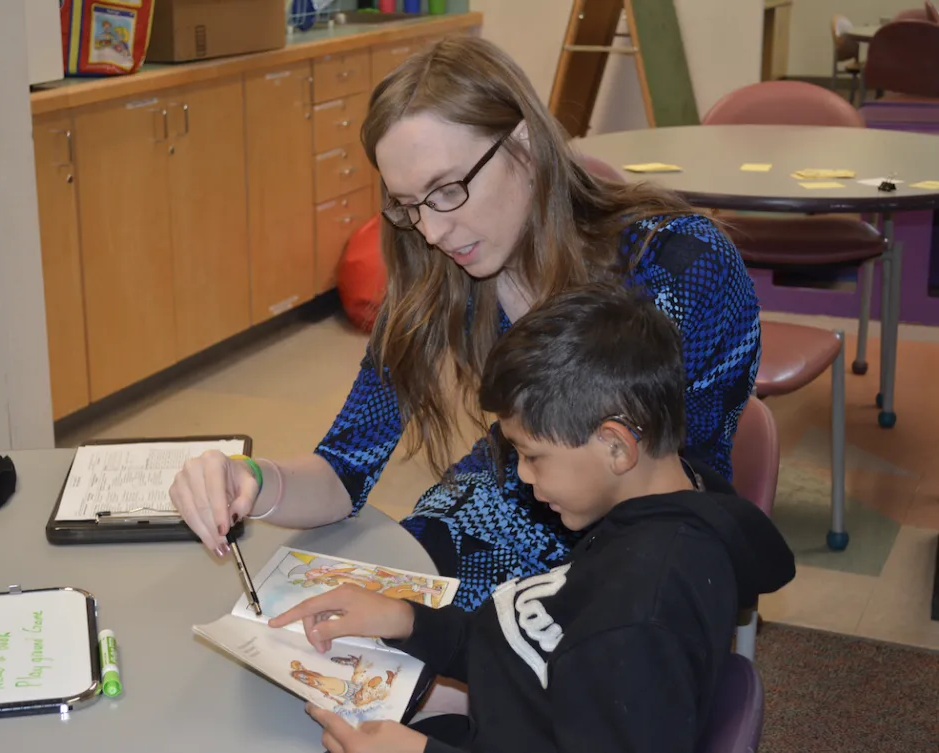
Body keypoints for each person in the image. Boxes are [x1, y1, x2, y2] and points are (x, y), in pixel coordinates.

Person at [169, 35, 761, 611]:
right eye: (407, 205)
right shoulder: (442, 276)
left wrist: (461, 667)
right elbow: (343, 468)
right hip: (502, 506)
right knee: (350, 627)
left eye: (447, 190)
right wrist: (248, 478)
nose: (430, 231)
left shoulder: (682, 264)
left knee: (400, 665)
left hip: (644, 551)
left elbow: (682, 496)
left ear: (523, 144)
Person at [268, 285, 795, 753]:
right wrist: (408, 622)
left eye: (532, 455)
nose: (520, 475)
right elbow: (531, 644)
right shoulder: (651, 514)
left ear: (615, 445)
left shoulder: (639, 618)